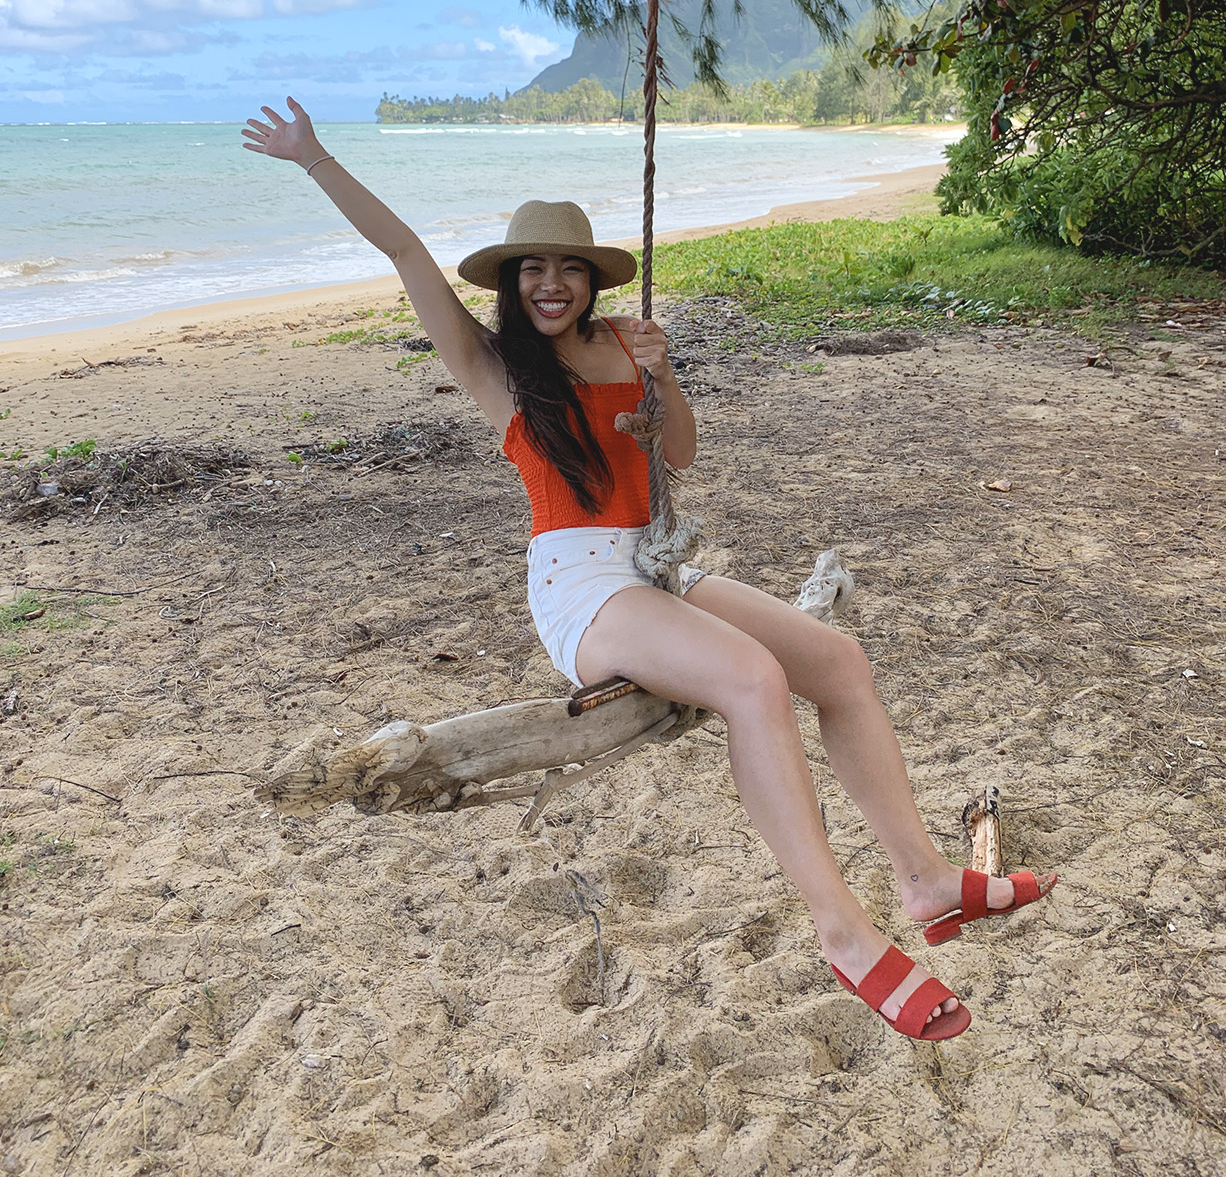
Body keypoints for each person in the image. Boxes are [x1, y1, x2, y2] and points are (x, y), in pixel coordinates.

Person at [242, 98, 1056, 1042]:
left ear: (591, 278)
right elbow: (407, 254)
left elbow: (683, 454)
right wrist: (314, 156)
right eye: (532, 268)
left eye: (569, 267)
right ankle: (846, 934)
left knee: (837, 662)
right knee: (753, 682)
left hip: (655, 567)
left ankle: (921, 875)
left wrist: (664, 376)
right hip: (582, 591)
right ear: (512, 282)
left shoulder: (625, 342)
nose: (552, 283)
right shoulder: (494, 367)